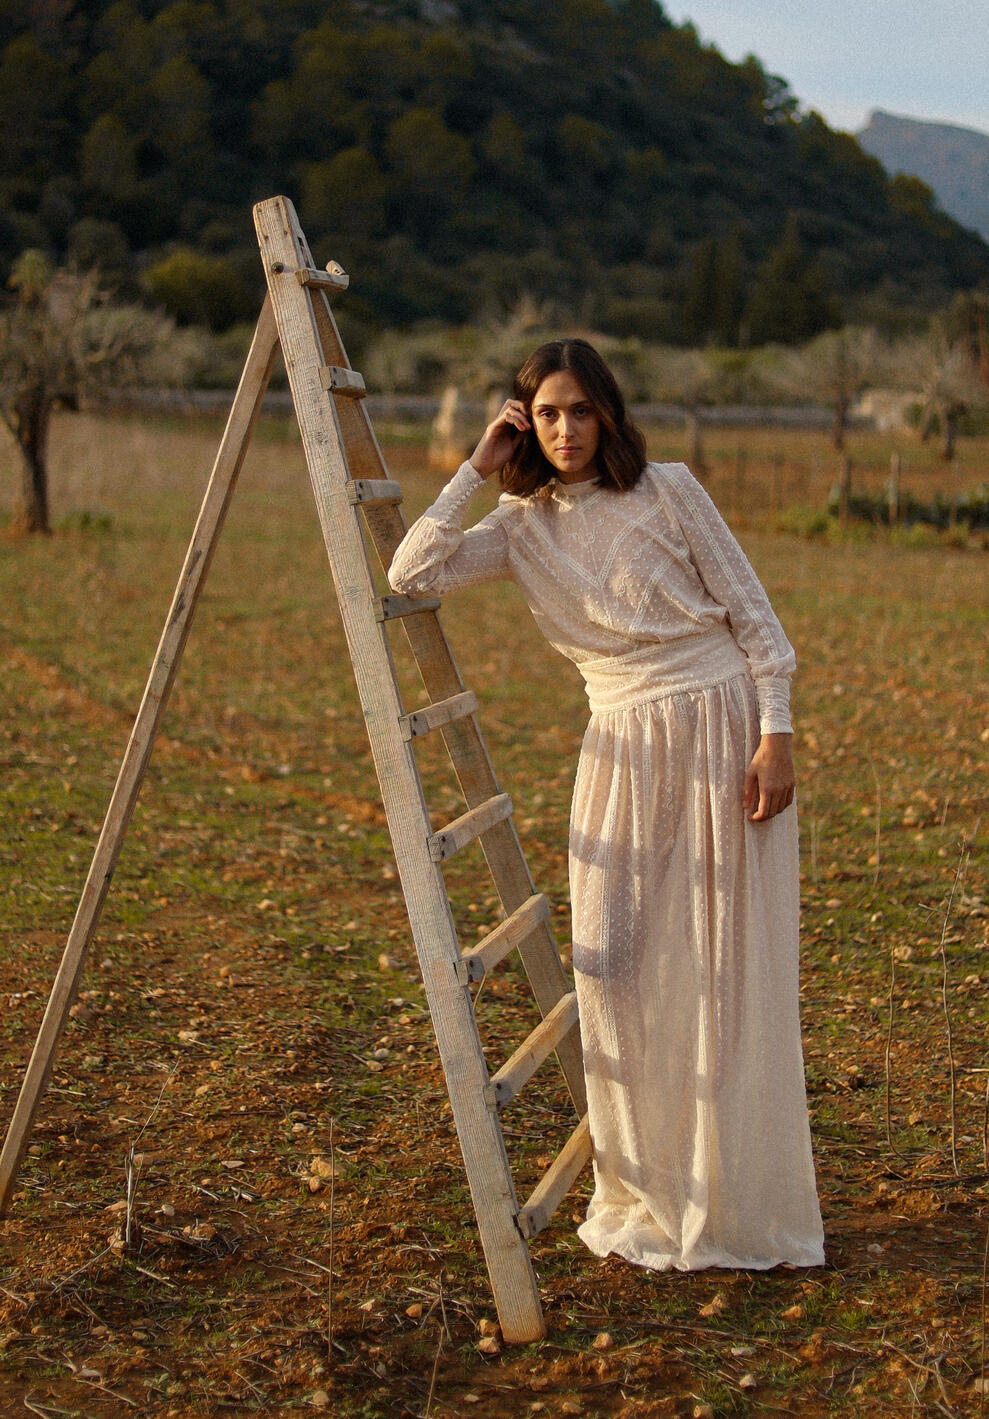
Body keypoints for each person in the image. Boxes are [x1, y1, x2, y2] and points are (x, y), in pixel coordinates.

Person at [388, 339, 824, 1272]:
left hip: (718, 722)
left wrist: (776, 732)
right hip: (619, 739)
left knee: (717, 960)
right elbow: (409, 573)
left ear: (608, 414)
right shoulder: (518, 527)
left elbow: (754, 617)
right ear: (523, 424)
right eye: (545, 413)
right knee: (610, 960)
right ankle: (649, 1183)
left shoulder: (668, 488)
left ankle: (732, 1194)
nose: (565, 429)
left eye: (580, 410)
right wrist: (474, 469)